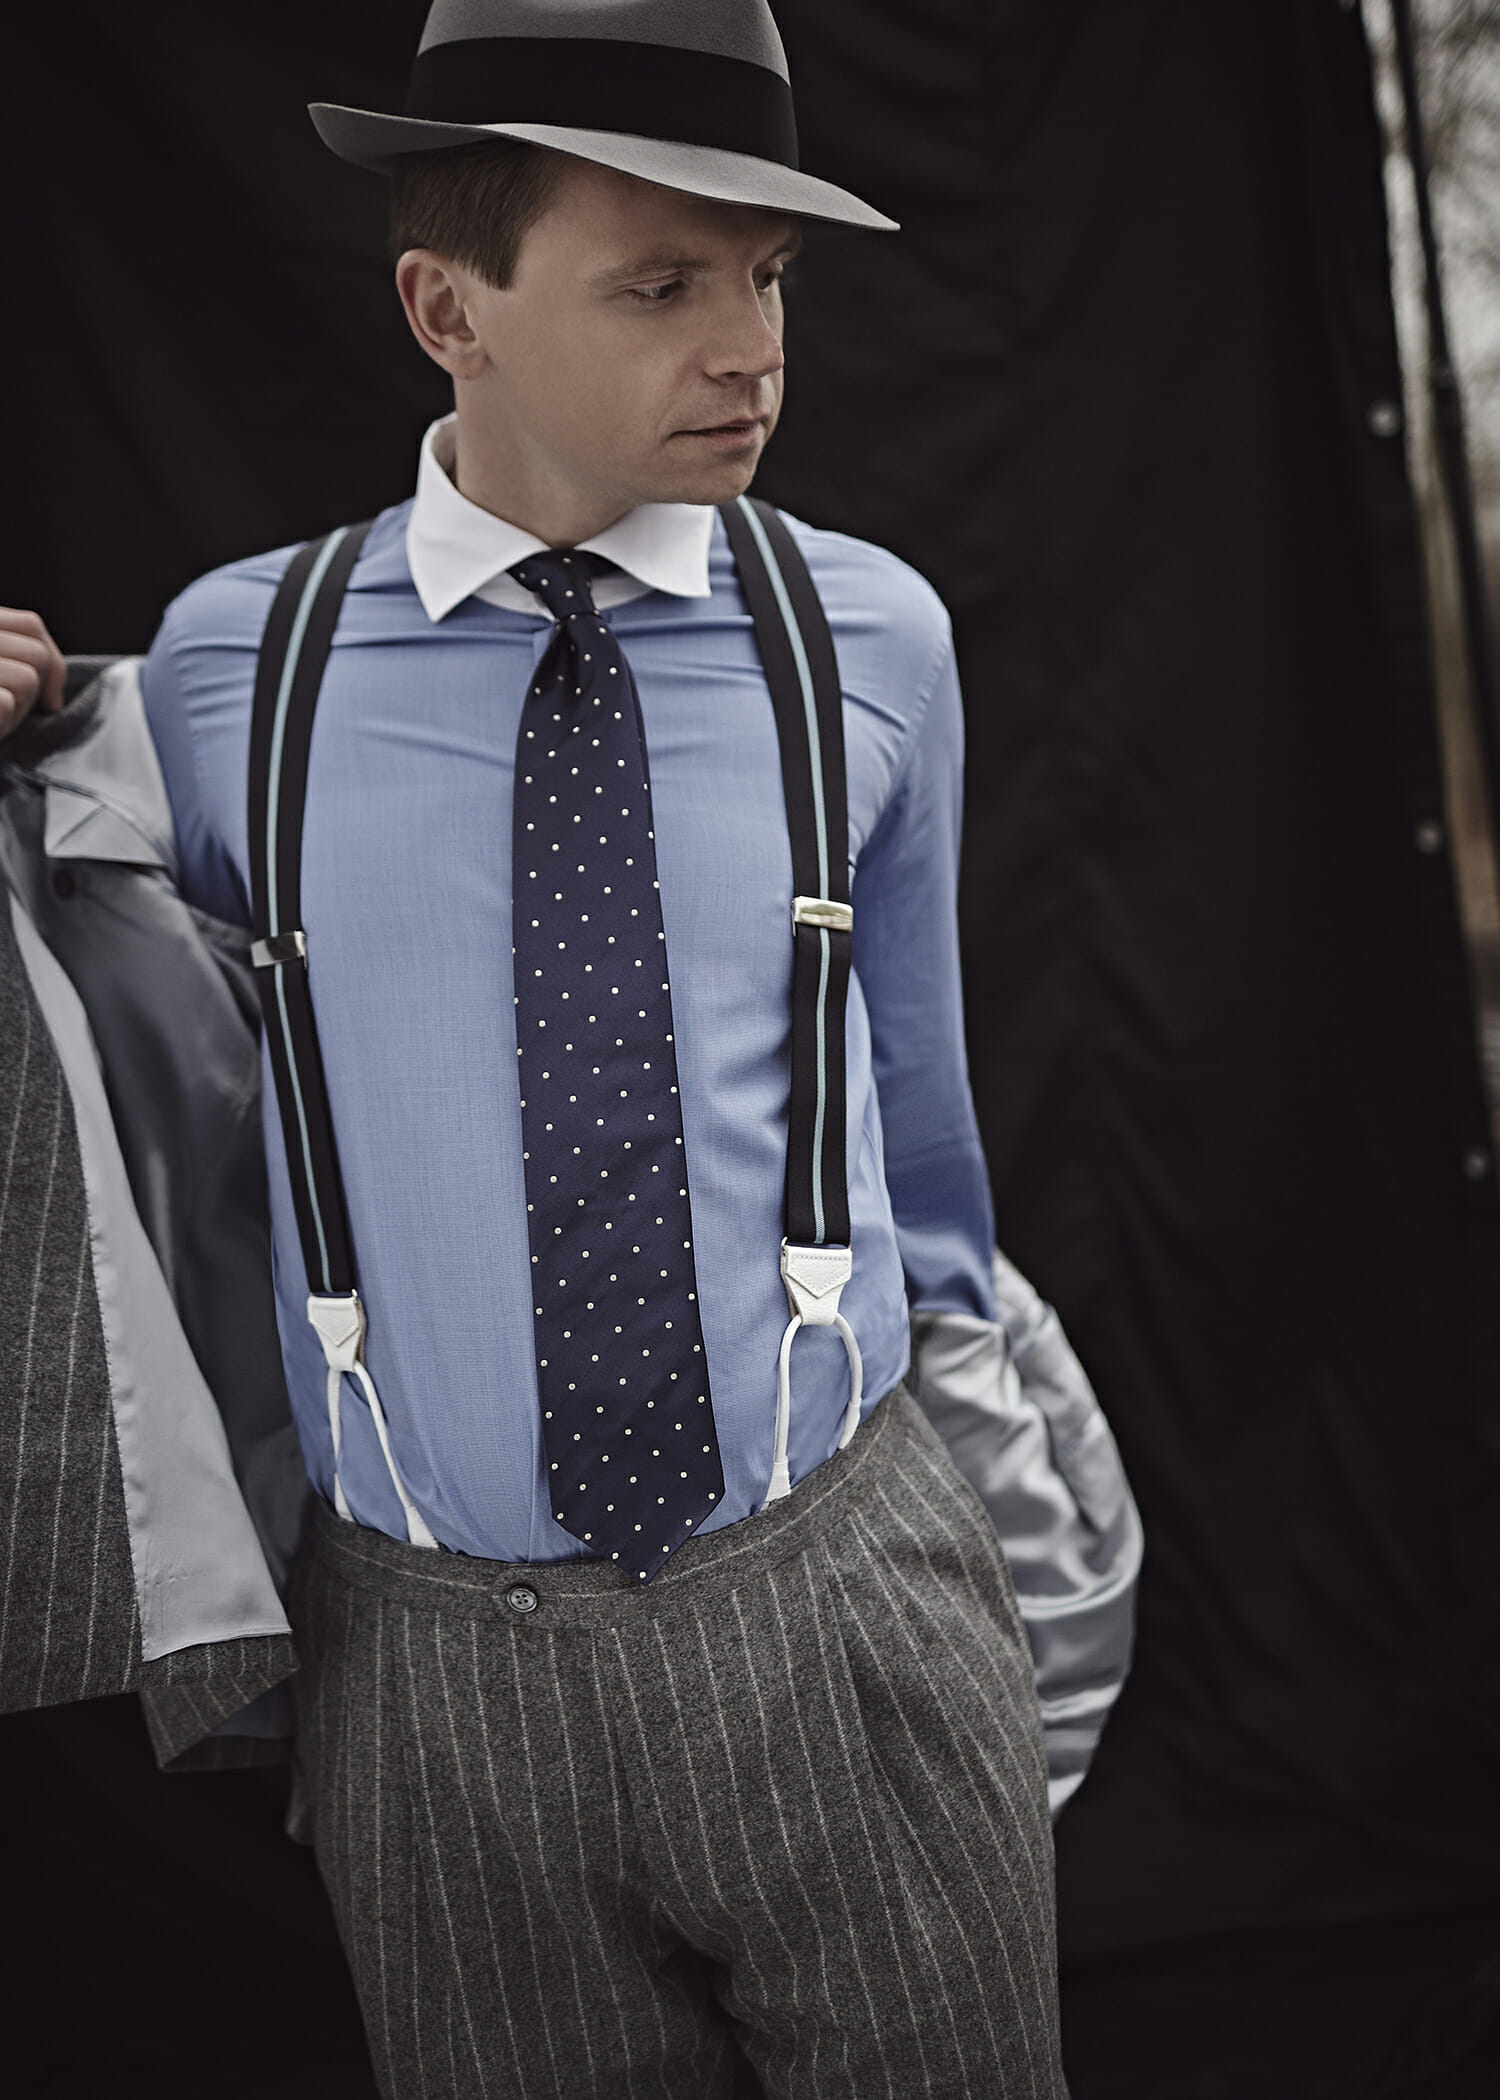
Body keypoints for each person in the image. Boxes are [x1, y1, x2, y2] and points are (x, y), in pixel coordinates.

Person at [0, 3, 1096, 2092]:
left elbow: (924, 1115)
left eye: (769, 277)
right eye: (662, 284)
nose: (751, 349)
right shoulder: (243, 665)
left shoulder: (870, 636)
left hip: (838, 1597)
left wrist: (960, 1528)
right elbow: (77, 977)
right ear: (449, 310)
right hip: (434, 1679)